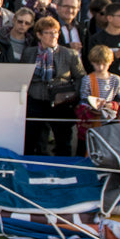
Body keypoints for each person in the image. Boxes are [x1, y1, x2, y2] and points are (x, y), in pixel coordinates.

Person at [22, 17, 85, 156]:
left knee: (63, 140)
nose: (53, 36)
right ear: (39, 35)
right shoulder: (29, 53)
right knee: (32, 139)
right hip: (36, 99)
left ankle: (65, 170)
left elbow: (80, 76)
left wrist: (75, 97)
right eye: (48, 32)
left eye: (55, 32)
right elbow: (24, 76)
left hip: (61, 102)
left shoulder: (69, 54)